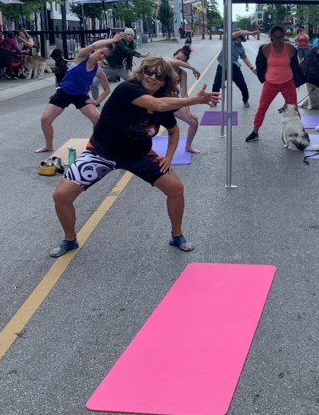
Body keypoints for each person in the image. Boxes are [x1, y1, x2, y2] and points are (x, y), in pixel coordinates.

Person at [47, 56, 222, 257]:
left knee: (176, 189)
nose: (153, 78)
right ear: (142, 72)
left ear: (165, 82)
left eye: (160, 76)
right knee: (61, 196)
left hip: (139, 155)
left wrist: (169, 156)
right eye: (149, 72)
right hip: (102, 152)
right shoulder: (127, 89)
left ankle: (177, 236)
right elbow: (157, 105)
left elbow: (173, 131)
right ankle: (69, 240)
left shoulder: (163, 103)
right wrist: (195, 99)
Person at [33, 32, 124, 154]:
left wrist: (96, 101)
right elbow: (93, 45)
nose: (102, 56)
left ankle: (96, 145)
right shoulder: (81, 57)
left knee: (97, 118)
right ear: (95, 50)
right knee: (45, 119)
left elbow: (107, 89)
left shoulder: (98, 71)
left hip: (80, 96)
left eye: (105, 56)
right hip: (64, 93)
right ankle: (48, 145)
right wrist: (112, 40)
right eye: (101, 52)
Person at [245, 26, 305, 143]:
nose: (278, 39)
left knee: (293, 109)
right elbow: (260, 64)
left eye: (280, 36)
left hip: (287, 83)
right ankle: (255, 132)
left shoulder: (290, 48)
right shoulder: (265, 49)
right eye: (275, 37)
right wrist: (261, 76)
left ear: (283, 36)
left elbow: (295, 66)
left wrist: (297, 81)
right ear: (271, 36)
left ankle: (299, 134)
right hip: (270, 84)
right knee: (262, 107)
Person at [212, 29, 259, 108]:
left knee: (242, 85)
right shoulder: (229, 41)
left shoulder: (241, 48)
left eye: (241, 39)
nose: (239, 40)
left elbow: (245, 58)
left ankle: (245, 100)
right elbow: (240, 32)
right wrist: (251, 32)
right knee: (216, 84)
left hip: (234, 68)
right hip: (222, 66)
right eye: (238, 38)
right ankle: (214, 101)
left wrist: (252, 68)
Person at [171, 45, 202, 154]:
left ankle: (188, 146)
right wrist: (193, 68)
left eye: (182, 61)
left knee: (194, 122)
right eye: (177, 58)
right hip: (157, 102)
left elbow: (184, 94)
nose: (178, 61)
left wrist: (188, 111)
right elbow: (174, 63)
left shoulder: (182, 73)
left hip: (172, 102)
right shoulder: (164, 63)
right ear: (173, 56)